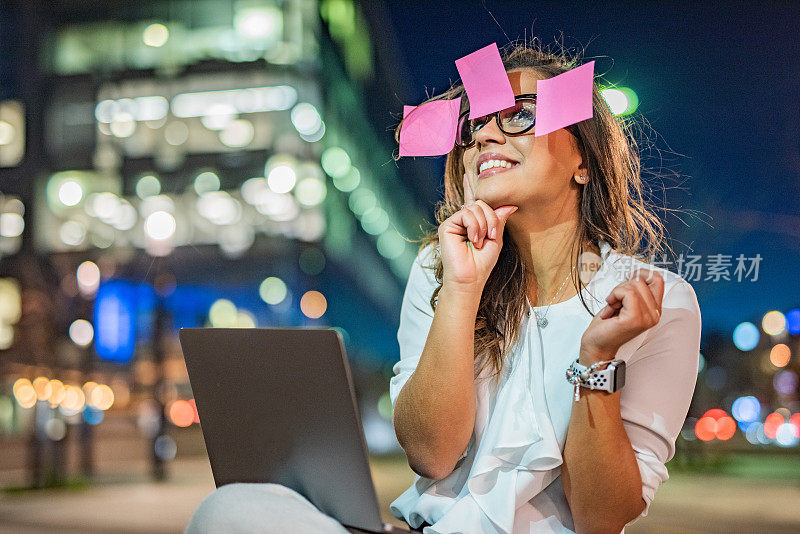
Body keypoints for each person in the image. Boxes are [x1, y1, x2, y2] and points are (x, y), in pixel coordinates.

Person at [388, 42, 701, 534]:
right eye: (474, 126)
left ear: (585, 162)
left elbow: (601, 518)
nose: (485, 134)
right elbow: (430, 454)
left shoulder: (656, 299)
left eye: (519, 115)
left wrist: (597, 363)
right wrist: (462, 289)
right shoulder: (439, 266)